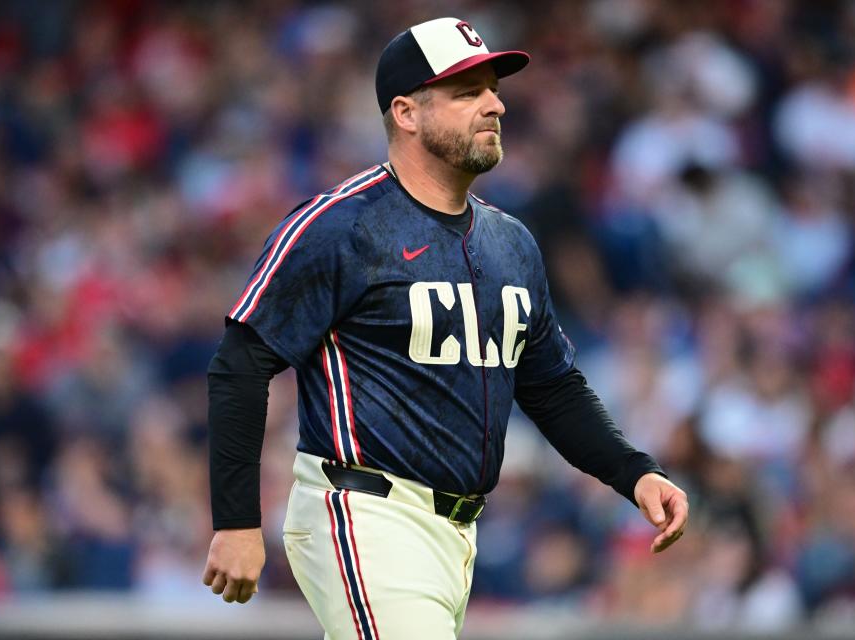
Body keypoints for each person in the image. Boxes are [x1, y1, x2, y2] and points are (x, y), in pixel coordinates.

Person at [202, 17, 688, 639]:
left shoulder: (510, 242)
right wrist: (237, 521)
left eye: (492, 88)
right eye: (466, 92)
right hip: (366, 511)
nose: (494, 104)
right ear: (406, 113)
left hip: (457, 534)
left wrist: (634, 472)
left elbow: (550, 386)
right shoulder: (341, 227)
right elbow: (240, 364)